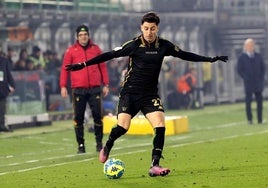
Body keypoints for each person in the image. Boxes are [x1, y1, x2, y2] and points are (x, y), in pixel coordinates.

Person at [65, 12, 228, 177]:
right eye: (146, 29)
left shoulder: (164, 45)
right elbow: (109, 55)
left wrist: (210, 59)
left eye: (152, 29)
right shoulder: (133, 45)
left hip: (149, 94)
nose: (149, 32)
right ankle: (108, 145)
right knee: (123, 127)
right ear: (141, 28)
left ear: (157, 28)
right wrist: (84, 64)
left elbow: (184, 54)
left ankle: (155, 165)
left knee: (160, 125)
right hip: (129, 93)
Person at [60, 25, 110, 154]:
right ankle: (81, 145)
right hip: (78, 89)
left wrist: (106, 84)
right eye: (81, 35)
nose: (83, 37)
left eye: (85, 35)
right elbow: (65, 69)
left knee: (98, 117)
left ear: (89, 36)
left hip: (94, 88)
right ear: (77, 37)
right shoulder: (71, 51)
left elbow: (102, 66)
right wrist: (63, 86)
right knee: (78, 118)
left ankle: (99, 144)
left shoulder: (96, 49)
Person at [237, 38, 265, 124]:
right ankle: (250, 119)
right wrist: (245, 77)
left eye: (251, 45)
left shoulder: (258, 56)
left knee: (259, 102)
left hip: (257, 82)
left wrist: (261, 77)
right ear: (245, 47)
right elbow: (239, 69)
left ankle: (260, 119)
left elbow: (263, 68)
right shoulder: (242, 57)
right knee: (248, 102)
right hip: (248, 83)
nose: (250, 47)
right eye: (248, 45)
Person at [0, 53, 15, 132]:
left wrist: (12, 85)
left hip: (2, 88)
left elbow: (8, 73)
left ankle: (1, 125)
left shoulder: (4, 61)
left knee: (2, 109)